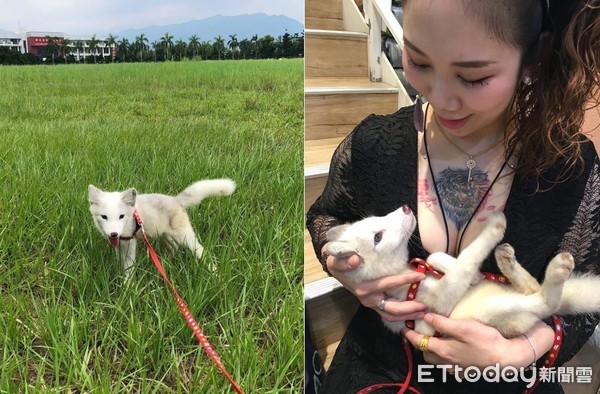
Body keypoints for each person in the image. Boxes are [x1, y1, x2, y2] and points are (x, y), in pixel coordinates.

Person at [306, 0, 600, 392]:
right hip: (384, 368)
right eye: (418, 61)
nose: (440, 98)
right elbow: (327, 216)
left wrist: (524, 350)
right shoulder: (375, 144)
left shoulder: (569, 166)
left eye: (473, 77)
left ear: (533, 57)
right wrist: (342, 264)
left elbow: (588, 287)